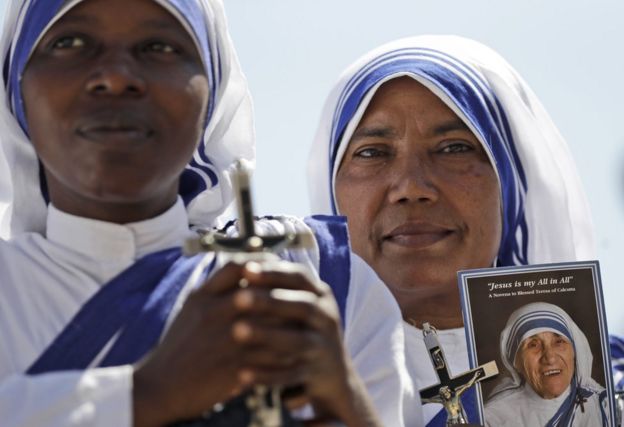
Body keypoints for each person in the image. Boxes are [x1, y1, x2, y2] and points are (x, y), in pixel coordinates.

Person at [0, 1, 422, 426]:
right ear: (16, 91)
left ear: (213, 92)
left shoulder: (321, 283)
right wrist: (150, 394)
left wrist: (350, 408)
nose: (116, 77)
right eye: (70, 43)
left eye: (159, 47)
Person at [307, 35, 595, 425]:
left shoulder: (610, 397)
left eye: (453, 148)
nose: (411, 187)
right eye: (372, 152)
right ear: (332, 189)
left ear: (509, 183)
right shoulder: (269, 381)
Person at [484, 302, 609, 426]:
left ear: (575, 352)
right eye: (533, 345)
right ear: (516, 362)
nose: (550, 358)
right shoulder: (492, 418)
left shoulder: (603, 406)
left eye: (559, 342)